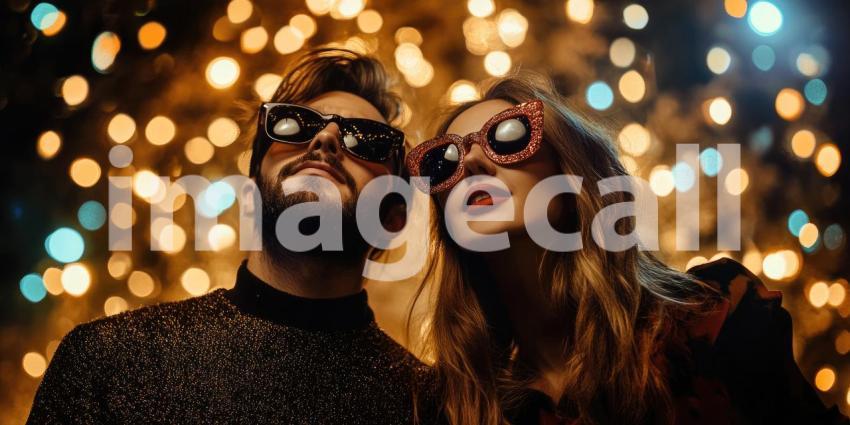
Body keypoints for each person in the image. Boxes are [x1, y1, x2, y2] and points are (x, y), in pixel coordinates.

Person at [405, 71, 849, 424]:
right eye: (443, 161)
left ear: (571, 170)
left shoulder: (713, 317)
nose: (473, 163)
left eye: (507, 135)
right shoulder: (457, 406)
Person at [28, 48, 435, 424]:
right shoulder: (110, 361)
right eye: (295, 125)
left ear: (395, 215)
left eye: (366, 139)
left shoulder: (430, 408)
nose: (326, 138)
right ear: (251, 192)